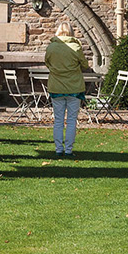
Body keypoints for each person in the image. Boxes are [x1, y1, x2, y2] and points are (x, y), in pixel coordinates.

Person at [44, 23, 87, 156]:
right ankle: (68, 150)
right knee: (72, 120)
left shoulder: (51, 47)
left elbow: (47, 63)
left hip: (56, 87)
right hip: (74, 87)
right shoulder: (76, 46)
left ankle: (58, 149)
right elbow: (85, 64)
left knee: (58, 120)